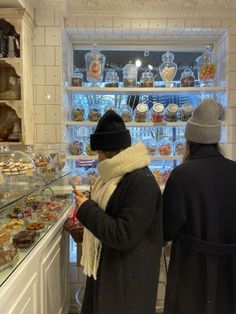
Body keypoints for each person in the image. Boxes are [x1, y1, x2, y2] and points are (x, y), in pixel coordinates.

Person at [71, 110, 163, 314]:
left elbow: (123, 235)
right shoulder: (114, 176)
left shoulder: (141, 182)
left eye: (99, 154)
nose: (97, 159)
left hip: (128, 282)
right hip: (113, 273)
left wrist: (86, 208)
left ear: (107, 153)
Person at [163, 98, 236, 314]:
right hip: (231, 270)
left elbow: (166, 229)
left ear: (190, 140)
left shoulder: (181, 175)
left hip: (191, 271)